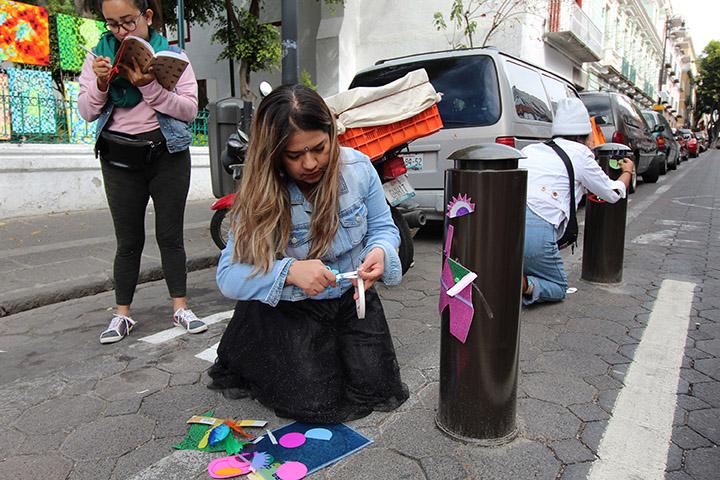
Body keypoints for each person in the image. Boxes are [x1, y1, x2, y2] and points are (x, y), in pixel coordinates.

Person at [209, 85, 409, 423]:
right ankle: (255, 345)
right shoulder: (259, 193)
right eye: (294, 155)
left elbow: (384, 229)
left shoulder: (359, 169)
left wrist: (381, 251)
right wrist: (288, 272)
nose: (311, 163)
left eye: (319, 148)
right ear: (273, 154)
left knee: (377, 385)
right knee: (313, 401)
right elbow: (228, 276)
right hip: (294, 310)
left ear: (332, 134)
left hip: (351, 300)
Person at [78, 0, 207, 344]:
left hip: (167, 156)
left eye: (128, 22)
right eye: (112, 24)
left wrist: (149, 85)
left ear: (147, 16)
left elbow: (189, 110)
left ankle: (180, 306)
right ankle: (122, 315)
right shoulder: (98, 58)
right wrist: (103, 84)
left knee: (170, 236)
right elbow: (87, 111)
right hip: (119, 159)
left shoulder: (173, 57)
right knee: (129, 241)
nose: (121, 32)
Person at [520, 97, 634, 305]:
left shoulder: (530, 150)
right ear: (585, 133)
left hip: (505, 226)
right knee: (559, 287)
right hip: (537, 232)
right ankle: (524, 283)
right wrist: (627, 172)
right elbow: (611, 193)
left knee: (527, 260)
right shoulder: (581, 154)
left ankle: (508, 277)